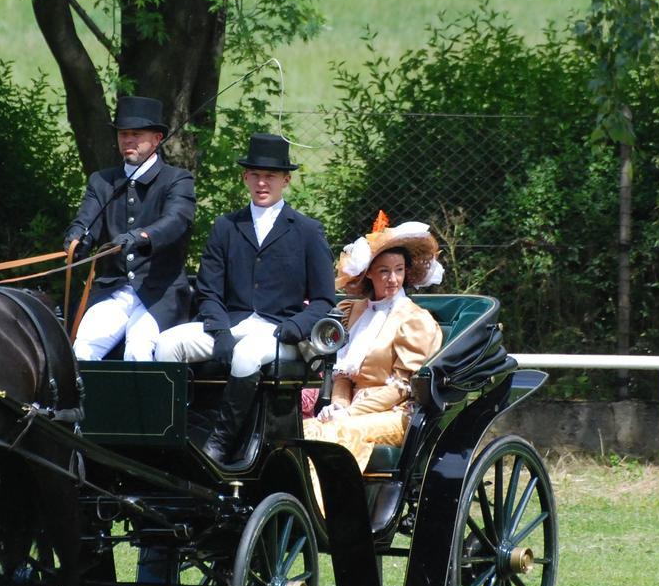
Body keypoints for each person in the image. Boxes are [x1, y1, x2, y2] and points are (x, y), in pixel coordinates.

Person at [156, 132, 336, 464]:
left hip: (279, 332)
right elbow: (209, 291)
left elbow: (325, 301)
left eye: (270, 176)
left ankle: (220, 442)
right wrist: (220, 330)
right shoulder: (226, 226)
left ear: (286, 180)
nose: (262, 182)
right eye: (255, 175)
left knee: (247, 354)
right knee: (167, 343)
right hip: (232, 324)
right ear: (245, 178)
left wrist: (295, 327)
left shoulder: (307, 231)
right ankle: (173, 433)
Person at [302, 216, 444, 473]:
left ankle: (327, 510)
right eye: (384, 271)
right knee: (306, 430)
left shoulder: (414, 319)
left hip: (395, 413)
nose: (393, 279)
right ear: (368, 273)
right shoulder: (353, 312)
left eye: (399, 270)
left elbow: (402, 387)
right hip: (354, 408)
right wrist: (338, 406)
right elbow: (343, 375)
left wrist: (350, 413)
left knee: (338, 431)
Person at [63, 96, 195, 361]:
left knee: (138, 348)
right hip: (115, 289)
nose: (128, 140)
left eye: (136, 134)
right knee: (84, 348)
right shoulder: (102, 181)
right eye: (124, 134)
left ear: (157, 139)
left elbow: (177, 220)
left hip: (160, 292)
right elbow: (86, 220)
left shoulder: (177, 179)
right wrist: (76, 240)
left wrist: (141, 236)